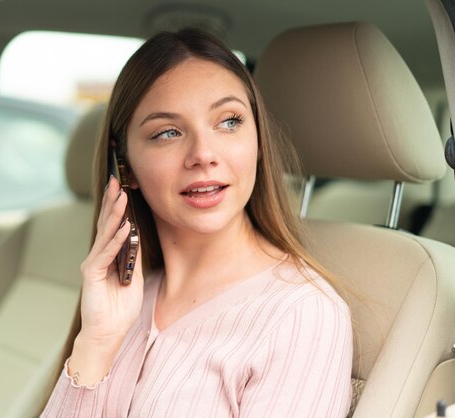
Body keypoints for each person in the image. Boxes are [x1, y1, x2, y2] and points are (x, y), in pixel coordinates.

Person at [40, 28, 353, 417]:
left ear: (258, 141)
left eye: (229, 122)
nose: (203, 154)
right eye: (167, 132)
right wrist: (97, 341)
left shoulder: (301, 315)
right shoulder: (125, 297)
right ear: (126, 167)